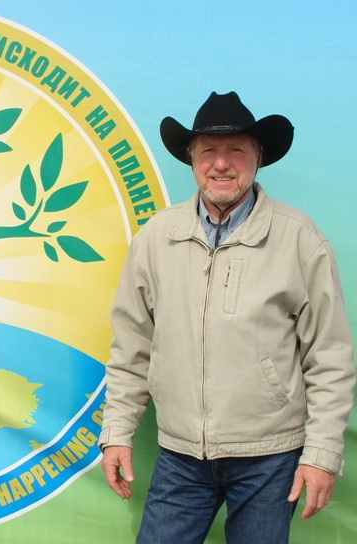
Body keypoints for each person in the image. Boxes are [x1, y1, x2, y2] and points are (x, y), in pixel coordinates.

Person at [99, 91, 355, 543]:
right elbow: (131, 348)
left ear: (257, 158)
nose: (221, 164)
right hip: (180, 456)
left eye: (236, 150)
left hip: (270, 457)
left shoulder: (300, 238)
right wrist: (117, 431)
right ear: (191, 160)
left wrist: (321, 454)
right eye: (208, 151)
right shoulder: (156, 238)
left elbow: (330, 356)